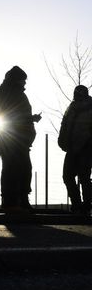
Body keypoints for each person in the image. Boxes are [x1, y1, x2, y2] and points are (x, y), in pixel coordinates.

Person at [0, 66, 41, 211]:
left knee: (18, 168)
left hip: (14, 138)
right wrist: (30, 118)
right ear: (16, 80)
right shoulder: (13, 95)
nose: (24, 84)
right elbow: (10, 117)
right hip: (14, 138)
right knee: (17, 169)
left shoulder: (0, 95)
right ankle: (14, 200)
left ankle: (15, 200)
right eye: (22, 81)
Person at [58, 85, 92, 215]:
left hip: (86, 148)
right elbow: (64, 123)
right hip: (72, 148)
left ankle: (86, 205)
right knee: (67, 176)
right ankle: (77, 204)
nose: (76, 95)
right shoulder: (71, 107)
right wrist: (62, 140)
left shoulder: (90, 107)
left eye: (79, 93)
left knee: (84, 178)